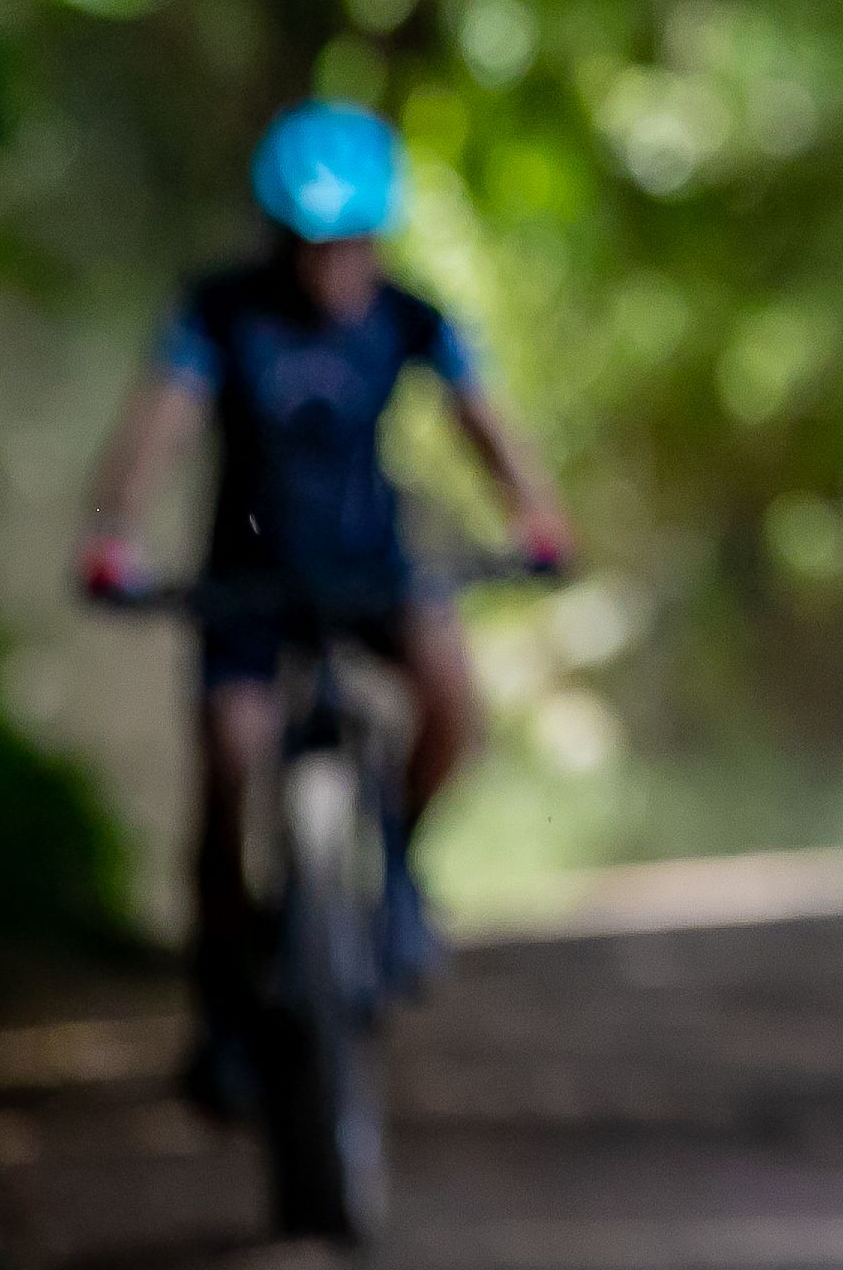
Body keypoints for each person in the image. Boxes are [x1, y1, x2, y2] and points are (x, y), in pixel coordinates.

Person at [74, 97, 570, 1111]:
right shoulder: (219, 311)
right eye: (309, 244)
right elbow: (161, 423)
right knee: (229, 759)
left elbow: (483, 422)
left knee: (449, 698)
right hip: (246, 582)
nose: (329, 265)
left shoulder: (411, 318)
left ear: (376, 239)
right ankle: (222, 1002)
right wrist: (114, 532)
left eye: (348, 243)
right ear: (276, 236)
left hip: (372, 568)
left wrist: (539, 519)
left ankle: (398, 869)